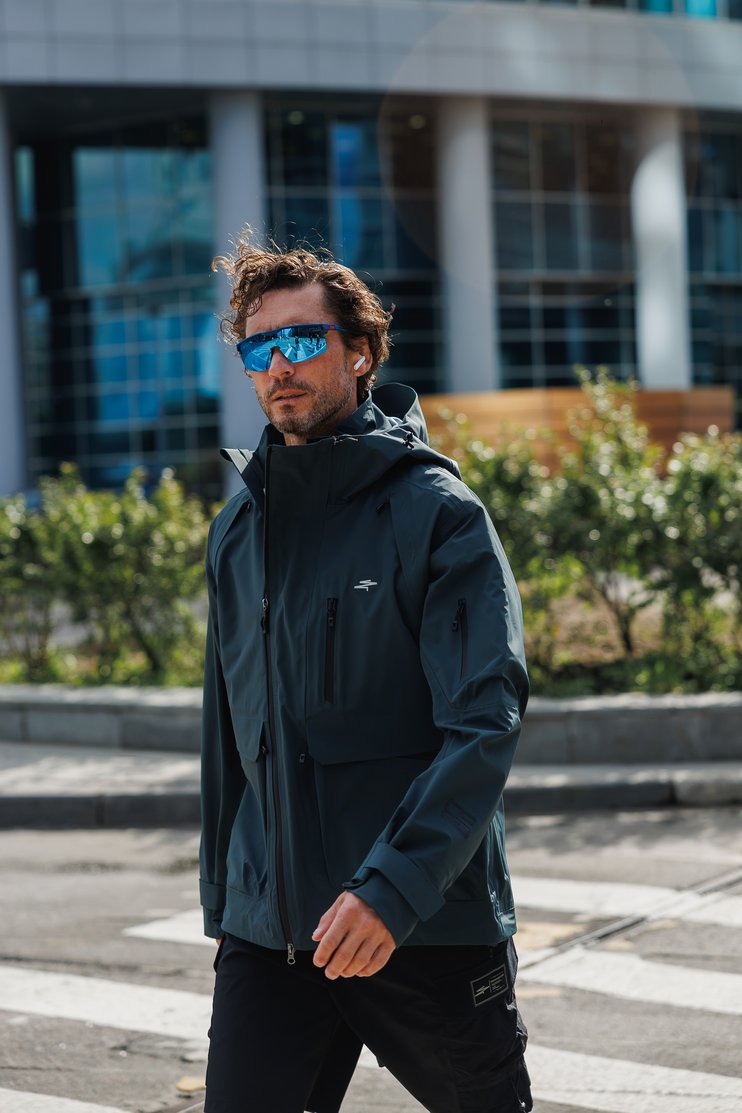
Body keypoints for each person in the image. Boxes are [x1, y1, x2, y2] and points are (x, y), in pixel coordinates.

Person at [199, 232, 533, 1113]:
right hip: (272, 936)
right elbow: (227, 741)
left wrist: (391, 888)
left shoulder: (438, 513)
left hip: (420, 921)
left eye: (302, 340)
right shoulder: (238, 533)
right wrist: (227, 906)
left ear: (360, 353)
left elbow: (484, 720)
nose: (279, 365)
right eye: (258, 349)